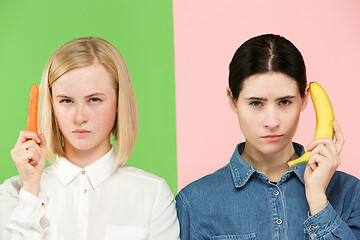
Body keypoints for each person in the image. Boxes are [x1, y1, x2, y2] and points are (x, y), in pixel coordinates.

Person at [176, 34, 360, 239]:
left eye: (285, 102)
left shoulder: (350, 194)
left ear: (305, 98)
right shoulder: (194, 203)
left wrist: (318, 200)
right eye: (256, 103)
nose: (272, 122)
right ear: (233, 100)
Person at [0, 37, 180, 240]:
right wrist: (31, 190)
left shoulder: (152, 194)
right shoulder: (12, 193)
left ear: (119, 102)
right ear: (51, 105)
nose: (80, 117)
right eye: (66, 101)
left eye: (94, 100)